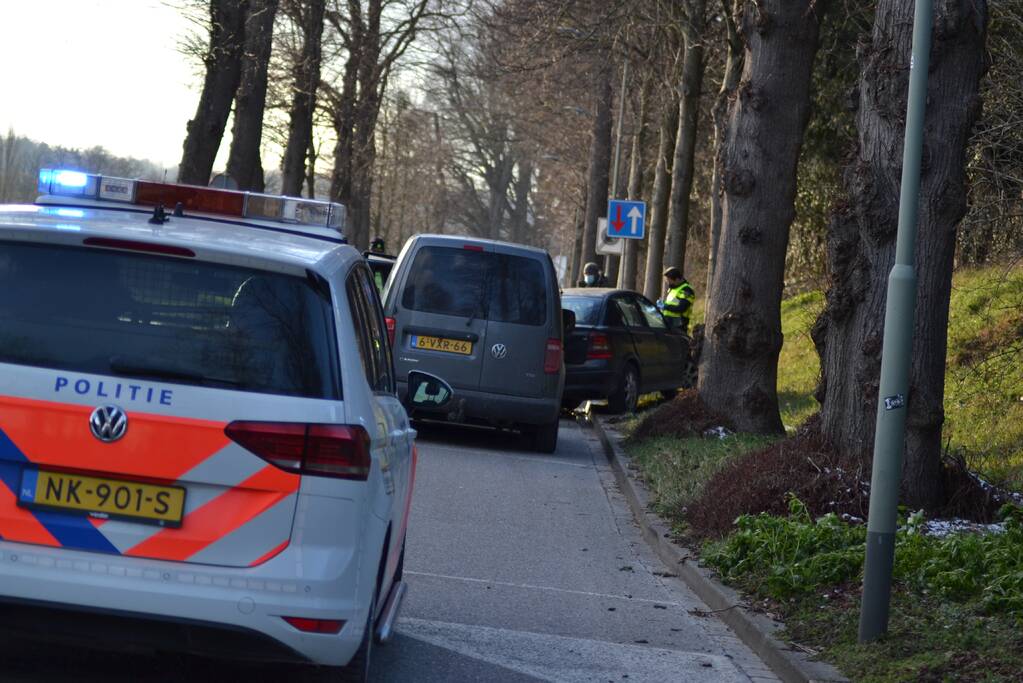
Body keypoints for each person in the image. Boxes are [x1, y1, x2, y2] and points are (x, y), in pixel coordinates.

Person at [659, 266, 695, 334]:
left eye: (670, 281)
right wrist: (663, 305)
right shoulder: (673, 289)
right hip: (669, 323)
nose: (668, 283)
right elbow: (675, 302)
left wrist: (665, 306)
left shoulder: (687, 290)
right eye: (667, 281)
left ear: (677, 279)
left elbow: (681, 308)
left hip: (679, 324)